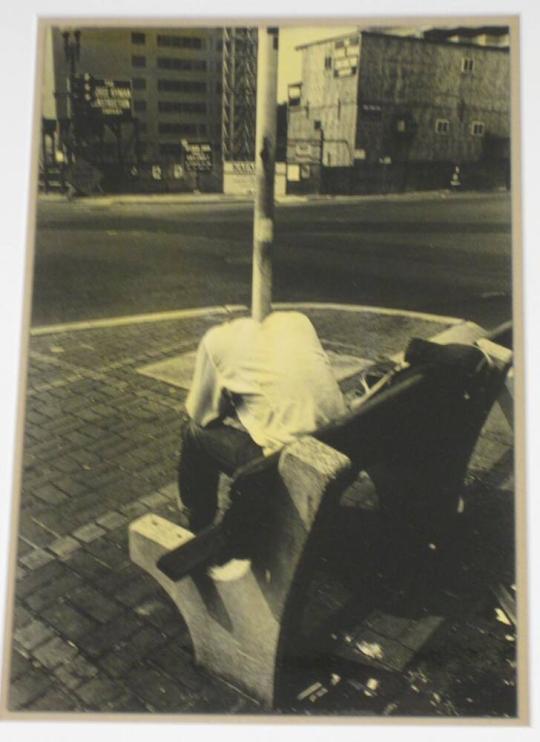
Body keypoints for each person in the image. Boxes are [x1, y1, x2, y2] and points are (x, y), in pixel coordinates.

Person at [157, 310, 346, 580]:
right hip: (332, 448)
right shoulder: (298, 322)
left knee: (194, 434)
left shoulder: (216, 341)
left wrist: (231, 403)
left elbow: (202, 415)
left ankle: (198, 523)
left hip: (286, 466)